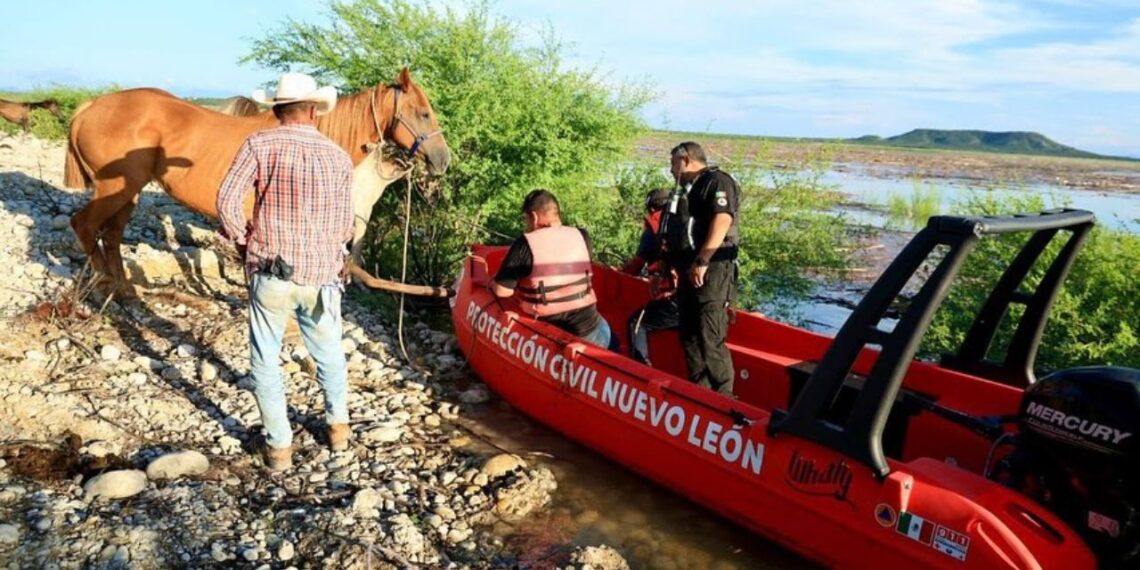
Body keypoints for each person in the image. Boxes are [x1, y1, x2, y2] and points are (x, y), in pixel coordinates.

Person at [217, 72, 355, 472]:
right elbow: (347, 223)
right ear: (314, 110)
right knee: (328, 352)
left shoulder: (260, 144)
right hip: (322, 275)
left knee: (265, 357)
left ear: (276, 109)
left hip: (271, 270)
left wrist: (243, 240)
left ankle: (279, 449)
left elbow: (227, 199)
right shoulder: (338, 155)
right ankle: (339, 431)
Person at [493, 189, 616, 349]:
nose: (526, 225)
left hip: (558, 338)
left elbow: (502, 291)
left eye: (526, 219)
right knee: (615, 341)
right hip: (596, 332)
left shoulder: (525, 244)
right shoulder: (582, 235)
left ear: (534, 217)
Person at [664, 141, 741, 396]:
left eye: (673, 163)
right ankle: (701, 392)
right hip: (690, 270)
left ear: (685, 159)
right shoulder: (688, 189)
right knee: (689, 334)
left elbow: (722, 219)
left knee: (711, 336)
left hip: (713, 270)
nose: (671, 169)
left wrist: (703, 259)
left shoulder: (717, 182)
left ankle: (724, 398)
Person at [622, 188, 679, 366]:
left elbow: (635, 266)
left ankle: (640, 368)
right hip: (693, 296)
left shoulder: (654, 229)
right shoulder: (682, 224)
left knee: (636, 324)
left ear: (652, 209)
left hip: (672, 299)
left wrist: (620, 270)